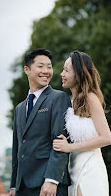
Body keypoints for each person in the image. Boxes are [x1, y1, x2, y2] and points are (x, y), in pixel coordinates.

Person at [8, 48, 71, 196]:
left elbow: (60, 142)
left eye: (49, 67)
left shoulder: (58, 98)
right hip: (22, 187)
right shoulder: (19, 108)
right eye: (41, 66)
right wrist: (13, 186)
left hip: (47, 184)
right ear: (27, 70)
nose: (46, 71)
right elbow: (17, 149)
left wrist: (52, 180)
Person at [53, 50, 111, 196]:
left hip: (90, 167)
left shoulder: (90, 98)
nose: (62, 74)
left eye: (66, 70)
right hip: (73, 167)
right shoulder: (70, 103)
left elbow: (106, 138)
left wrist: (70, 147)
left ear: (78, 74)